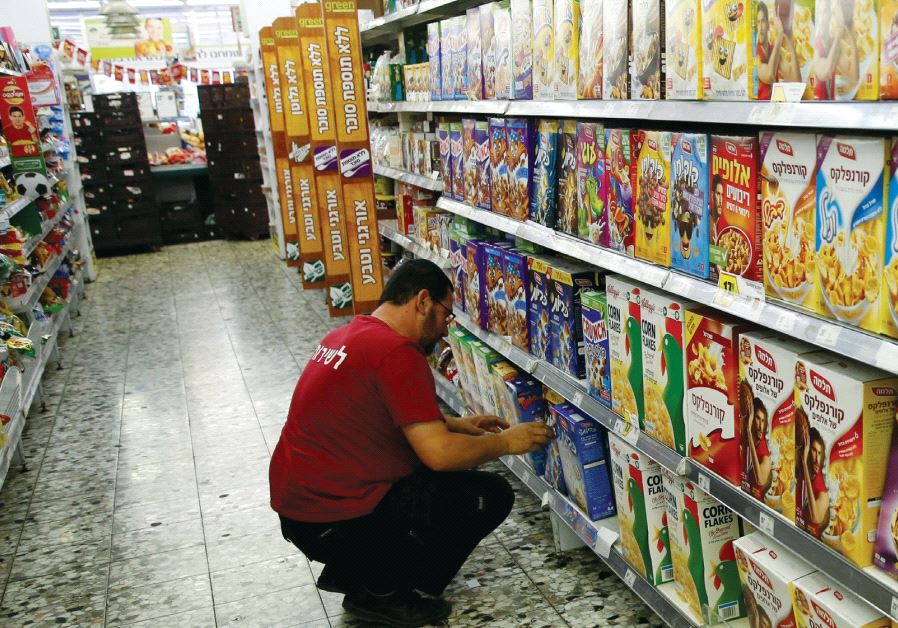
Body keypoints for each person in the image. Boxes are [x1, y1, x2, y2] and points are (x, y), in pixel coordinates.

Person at [269, 259, 554, 628]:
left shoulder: (348, 335)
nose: (446, 328)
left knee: (428, 480)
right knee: (485, 495)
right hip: (332, 518)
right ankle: (386, 593)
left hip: (301, 513)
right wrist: (506, 443)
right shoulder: (397, 352)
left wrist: (456, 424)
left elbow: (376, 412)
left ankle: (359, 573)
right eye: (446, 314)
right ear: (423, 301)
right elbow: (439, 455)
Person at [797, 416, 829, 537]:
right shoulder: (801, 469)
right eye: (813, 451)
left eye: (819, 453)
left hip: (812, 540)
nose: (817, 458)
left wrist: (805, 464)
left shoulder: (822, 490)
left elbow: (815, 518)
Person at [745, 396, 772, 495]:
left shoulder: (764, 452)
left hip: (757, 498)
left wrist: (749, 431)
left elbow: (760, 480)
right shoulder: (745, 433)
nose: (761, 426)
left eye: (763, 421)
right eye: (757, 418)